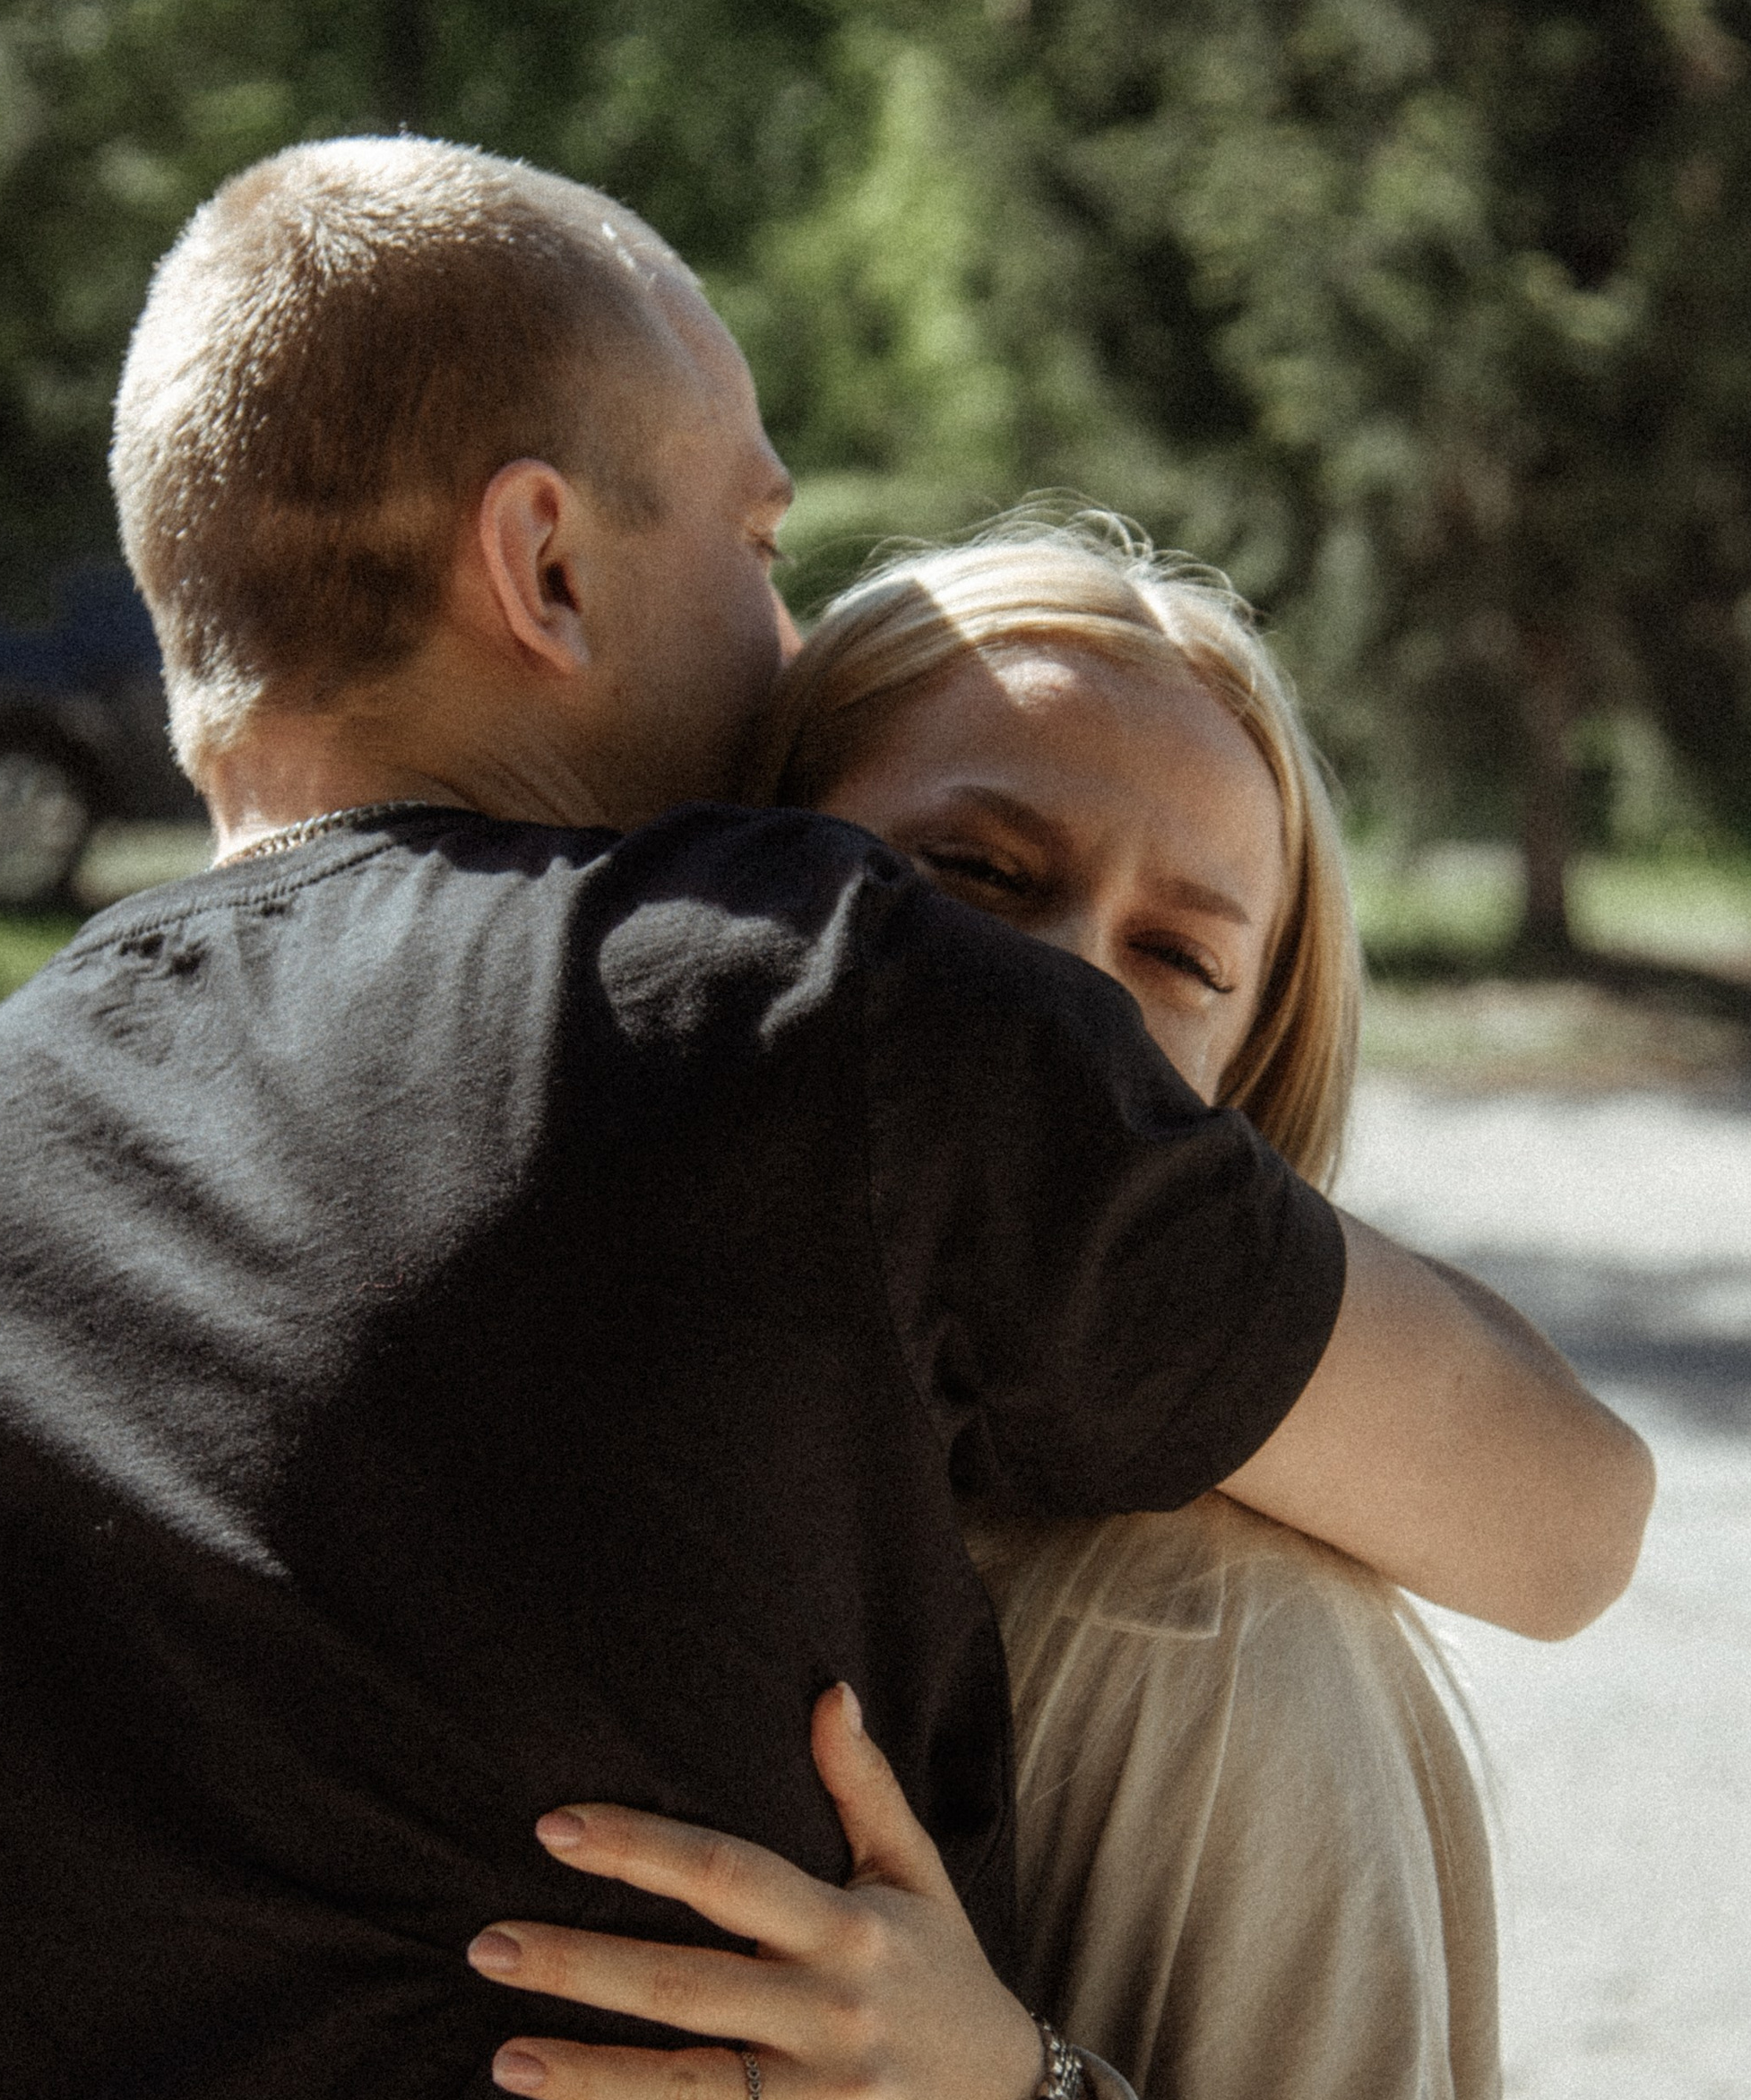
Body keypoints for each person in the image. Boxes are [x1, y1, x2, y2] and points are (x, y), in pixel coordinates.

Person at [0, 140, 1650, 2099]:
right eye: (759, 542)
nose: (782, 637)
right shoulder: (811, 1011)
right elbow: (1560, 1517)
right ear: (544, 562)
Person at [465, 523, 1532, 2100]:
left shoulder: (1214, 1643)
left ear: (1249, 1092)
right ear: (738, 874)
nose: (1067, 1008)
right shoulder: (517, 1406)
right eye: (971, 874)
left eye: (1177, 955)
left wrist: (1018, 2085)